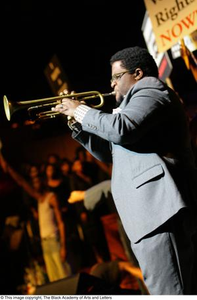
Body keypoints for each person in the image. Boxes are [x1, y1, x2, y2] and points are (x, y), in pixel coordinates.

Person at [52, 46, 197, 295]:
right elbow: (109, 151)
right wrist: (77, 123)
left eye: (116, 77)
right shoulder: (130, 106)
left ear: (138, 73)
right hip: (145, 215)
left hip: (159, 211)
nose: (112, 84)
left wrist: (81, 109)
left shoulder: (151, 89)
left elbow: (121, 129)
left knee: (172, 292)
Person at [0, 152, 71, 283]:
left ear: (43, 181)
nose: (35, 183)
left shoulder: (51, 197)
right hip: (45, 242)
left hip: (54, 241)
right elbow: (22, 183)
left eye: (38, 180)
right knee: (54, 279)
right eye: (34, 181)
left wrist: (63, 246)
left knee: (64, 276)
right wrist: (8, 167)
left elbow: (61, 223)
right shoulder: (39, 199)